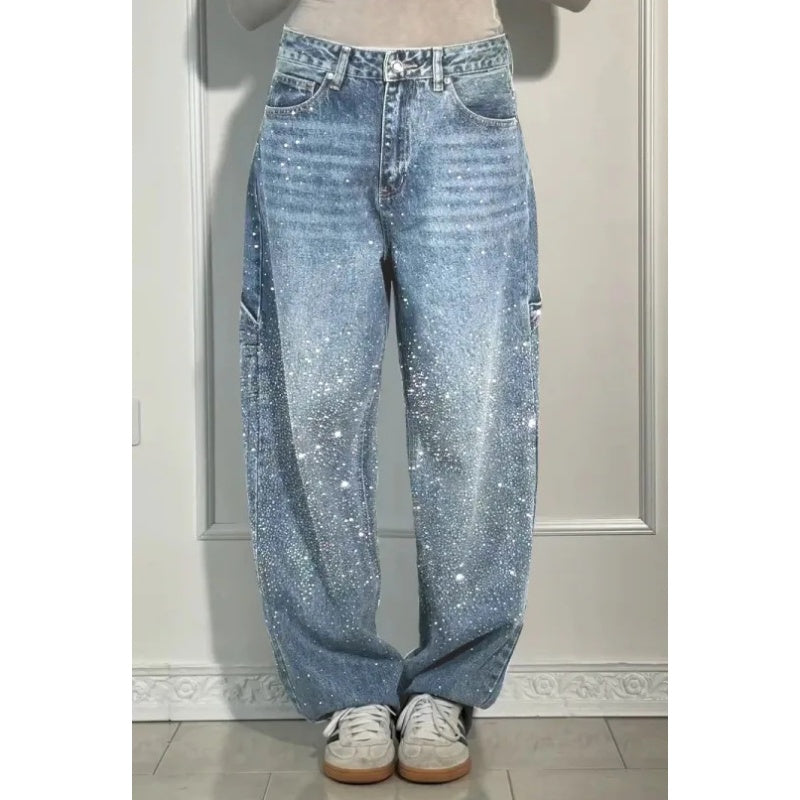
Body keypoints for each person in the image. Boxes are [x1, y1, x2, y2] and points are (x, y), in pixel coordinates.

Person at [227, 0, 585, 785]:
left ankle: (449, 687)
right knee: (313, 408)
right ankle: (346, 686)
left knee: (471, 406)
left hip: (466, 103)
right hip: (315, 99)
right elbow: (242, 10)